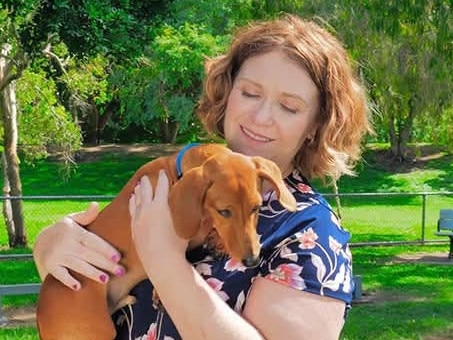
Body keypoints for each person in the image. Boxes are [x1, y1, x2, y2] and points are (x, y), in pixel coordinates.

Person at [33, 14, 371, 340]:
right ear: (227, 93)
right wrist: (52, 253)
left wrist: (164, 260)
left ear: (315, 126)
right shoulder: (185, 178)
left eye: (289, 107)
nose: (261, 116)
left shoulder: (310, 236)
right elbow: (91, 293)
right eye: (250, 93)